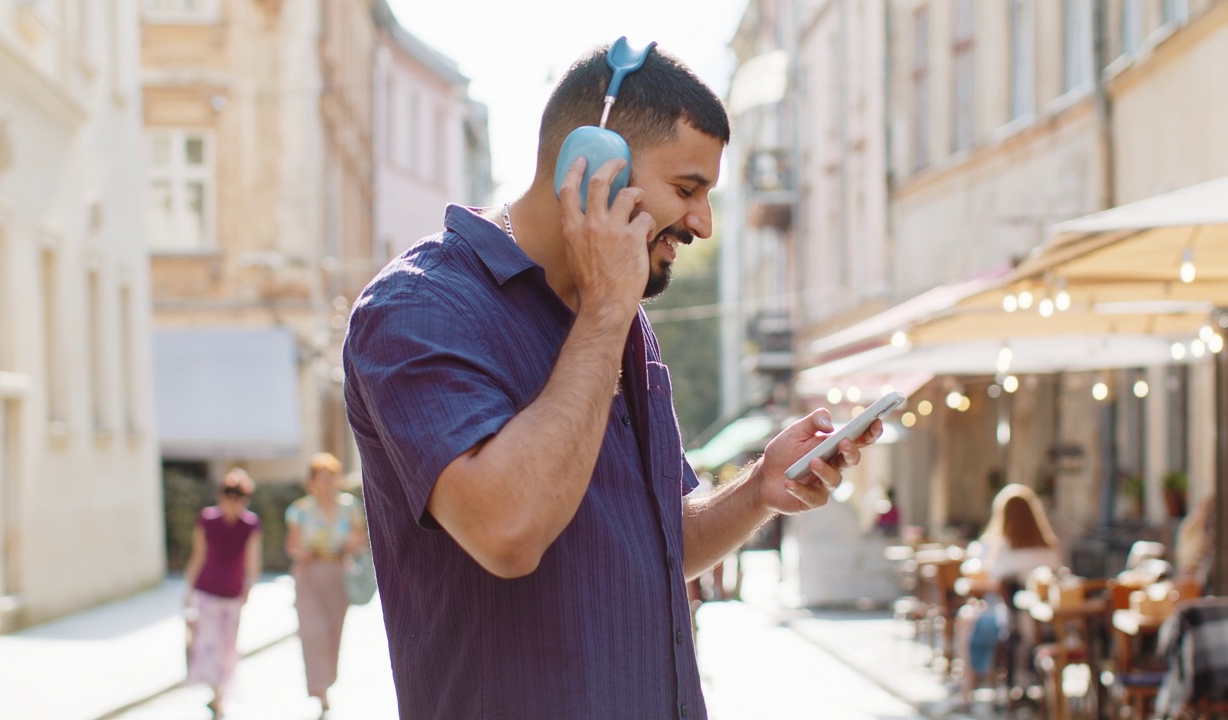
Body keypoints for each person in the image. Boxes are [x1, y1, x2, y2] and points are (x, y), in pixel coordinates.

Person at [341, 40, 881, 720]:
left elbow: (658, 544)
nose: (703, 224)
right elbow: (509, 529)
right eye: (686, 190)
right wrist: (603, 310)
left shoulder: (618, 320)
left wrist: (758, 489)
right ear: (590, 168)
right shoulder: (419, 309)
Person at [953, 483, 1063, 707]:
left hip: (1012, 626)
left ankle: (967, 690)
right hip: (1046, 625)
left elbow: (989, 579)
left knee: (967, 618)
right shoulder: (1050, 547)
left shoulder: (1003, 549)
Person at [285, 452, 367, 716]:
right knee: (312, 630)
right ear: (312, 481)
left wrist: (351, 545)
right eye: (322, 477)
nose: (327, 482)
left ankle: (327, 683)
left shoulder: (348, 506)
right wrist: (302, 553)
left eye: (331, 477)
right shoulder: (299, 510)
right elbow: (292, 545)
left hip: (337, 571)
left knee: (333, 631)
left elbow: (360, 538)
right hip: (309, 573)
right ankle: (318, 688)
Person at [184, 468, 263, 718]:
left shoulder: (250, 524)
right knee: (208, 642)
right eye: (228, 495)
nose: (232, 501)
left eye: (238, 496)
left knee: (228, 645)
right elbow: (198, 554)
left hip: (232, 592)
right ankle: (214, 691)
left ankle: (220, 694)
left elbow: (253, 559)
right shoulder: (207, 519)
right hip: (207, 589)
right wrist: (188, 589)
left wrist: (248, 586)